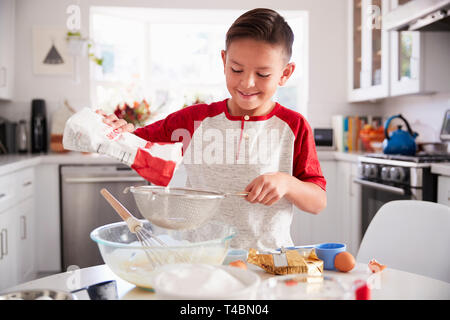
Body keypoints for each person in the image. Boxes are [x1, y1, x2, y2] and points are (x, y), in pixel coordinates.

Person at [97, 8, 326, 251]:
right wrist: (115, 128)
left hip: (269, 262)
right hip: (202, 259)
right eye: (237, 69)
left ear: (285, 73)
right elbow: (131, 142)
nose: (247, 83)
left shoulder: (293, 126)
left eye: (263, 74)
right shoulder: (194, 120)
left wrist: (287, 183)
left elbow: (317, 202)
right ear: (223, 61)